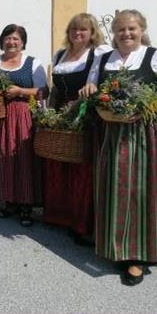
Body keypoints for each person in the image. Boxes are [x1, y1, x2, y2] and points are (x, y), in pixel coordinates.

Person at [79, 9, 157, 286]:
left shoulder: (155, 57)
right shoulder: (104, 59)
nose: (126, 34)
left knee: (144, 192)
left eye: (132, 29)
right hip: (113, 134)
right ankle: (115, 244)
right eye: (121, 30)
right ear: (114, 34)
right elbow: (92, 89)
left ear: (142, 29)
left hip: (149, 135)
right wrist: (89, 91)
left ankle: (139, 256)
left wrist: (146, 107)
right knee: (115, 190)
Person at [42, 13, 110, 246]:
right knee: (59, 163)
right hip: (61, 114)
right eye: (74, 29)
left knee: (81, 169)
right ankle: (58, 216)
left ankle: (80, 223)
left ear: (92, 33)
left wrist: (81, 104)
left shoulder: (99, 54)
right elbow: (54, 91)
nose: (77, 33)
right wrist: (49, 116)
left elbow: (98, 84)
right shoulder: (60, 55)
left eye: (83, 30)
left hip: (84, 116)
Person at [0, 24, 48, 226]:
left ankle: (26, 204)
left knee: (22, 157)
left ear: (23, 42)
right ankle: (8, 200)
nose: (11, 42)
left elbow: (44, 90)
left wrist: (20, 92)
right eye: (8, 38)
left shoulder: (32, 62)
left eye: (16, 38)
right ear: (2, 41)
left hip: (21, 116)